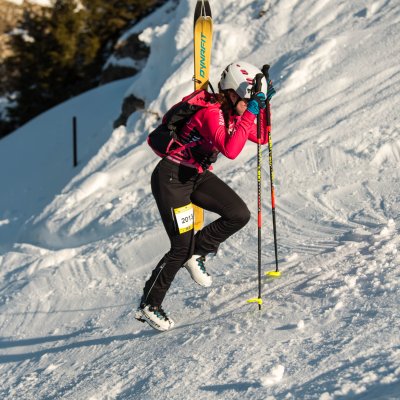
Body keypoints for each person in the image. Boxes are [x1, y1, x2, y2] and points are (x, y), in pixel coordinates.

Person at [135, 61, 275, 331]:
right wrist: (253, 110)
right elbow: (231, 150)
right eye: (247, 99)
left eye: (252, 100)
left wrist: (265, 105)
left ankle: (196, 252)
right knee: (180, 247)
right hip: (172, 178)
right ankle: (149, 304)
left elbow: (261, 137)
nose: (249, 105)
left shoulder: (235, 113)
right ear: (231, 93)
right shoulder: (211, 113)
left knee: (238, 214)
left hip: (196, 175)